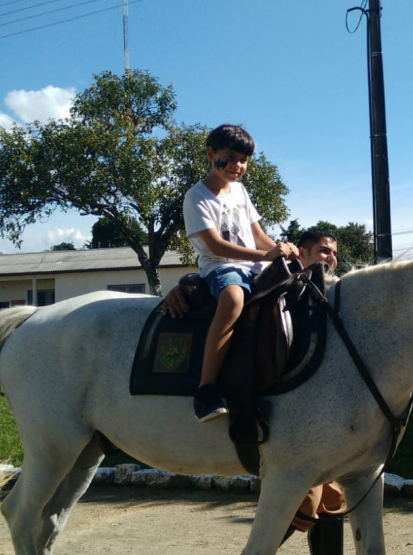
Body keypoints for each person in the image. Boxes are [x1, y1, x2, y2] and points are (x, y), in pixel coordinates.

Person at [162, 228, 346, 554]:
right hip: (282, 421)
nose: (331, 258)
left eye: (333, 252)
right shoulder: (275, 283)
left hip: (319, 423)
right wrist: (187, 285)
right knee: (309, 500)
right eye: (324, 251)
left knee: (332, 500)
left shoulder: (331, 298)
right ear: (301, 252)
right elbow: (222, 280)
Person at [182, 123, 298, 423]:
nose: (238, 166)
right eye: (230, 158)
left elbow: (257, 235)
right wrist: (266, 255)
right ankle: (205, 389)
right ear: (211, 154)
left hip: (254, 264)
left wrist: (281, 254)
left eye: (243, 160)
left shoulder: (240, 191)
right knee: (233, 298)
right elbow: (216, 246)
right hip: (221, 267)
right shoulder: (196, 197)